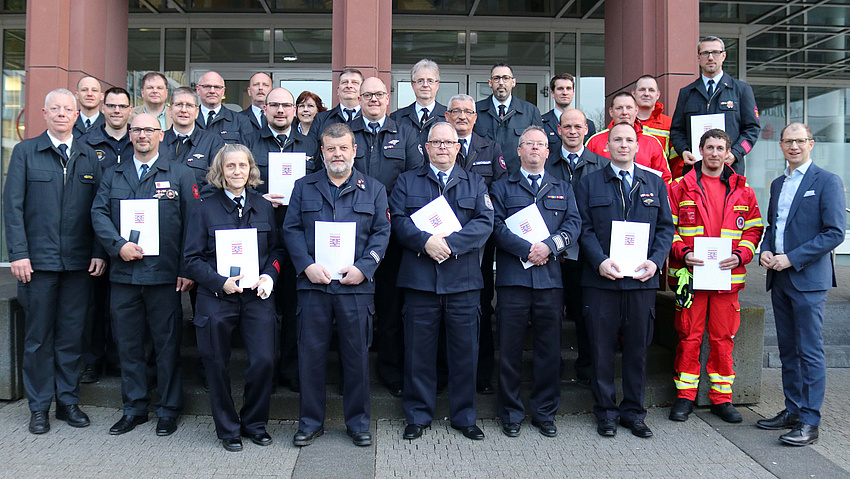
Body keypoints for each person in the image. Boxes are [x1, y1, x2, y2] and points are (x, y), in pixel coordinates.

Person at [91, 113, 200, 437]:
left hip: (164, 277)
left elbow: (193, 224)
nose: (142, 135)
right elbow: (98, 213)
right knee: (128, 346)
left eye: (148, 129)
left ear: (160, 134)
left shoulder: (181, 173)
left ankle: (168, 409)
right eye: (136, 129)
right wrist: (117, 245)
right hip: (124, 275)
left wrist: (185, 268)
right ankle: (134, 408)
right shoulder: (114, 174)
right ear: (129, 133)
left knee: (167, 346)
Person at [3, 88, 105, 434]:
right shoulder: (25, 152)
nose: (62, 114)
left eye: (68, 109)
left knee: (71, 336)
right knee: (38, 338)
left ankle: (68, 402)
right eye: (55, 108)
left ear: (77, 115)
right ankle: (39, 407)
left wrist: (98, 251)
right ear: (44, 113)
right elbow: (13, 207)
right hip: (37, 265)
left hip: (78, 265)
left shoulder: (90, 156)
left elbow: (99, 211)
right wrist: (18, 253)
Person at [283, 123, 391, 448]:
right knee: (311, 357)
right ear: (322, 152)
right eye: (331, 149)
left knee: (356, 359)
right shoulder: (303, 186)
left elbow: (382, 232)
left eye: (343, 148)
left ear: (354, 150)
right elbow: (290, 230)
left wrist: (365, 267)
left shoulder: (373, 188)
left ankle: (358, 424)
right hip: (314, 286)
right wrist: (306, 265)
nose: (337, 154)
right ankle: (310, 423)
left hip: (356, 288)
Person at [389, 122, 493, 441]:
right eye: (437, 143)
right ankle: (418, 415)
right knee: (419, 352)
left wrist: (451, 244)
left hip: (462, 282)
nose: (444, 148)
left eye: (449, 143)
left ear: (458, 148)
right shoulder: (407, 181)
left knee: (465, 353)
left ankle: (464, 416)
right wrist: (425, 242)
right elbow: (397, 219)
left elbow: (485, 222)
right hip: (420, 281)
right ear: (427, 147)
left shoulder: (474, 183)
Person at [575, 122, 674, 439]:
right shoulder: (589, 183)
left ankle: (634, 412)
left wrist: (656, 262)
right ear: (607, 145)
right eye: (617, 139)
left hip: (641, 282)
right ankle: (605, 412)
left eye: (629, 140)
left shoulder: (654, 183)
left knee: (637, 351)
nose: (623, 144)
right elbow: (583, 228)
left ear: (637, 145)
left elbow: (665, 229)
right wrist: (599, 261)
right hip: (601, 281)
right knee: (601, 350)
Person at [184, 144, 282, 452]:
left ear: (251, 169)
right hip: (217, 296)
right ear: (220, 171)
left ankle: (254, 423)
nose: (237, 172)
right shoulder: (203, 208)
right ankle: (227, 428)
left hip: (256, 296)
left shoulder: (263, 206)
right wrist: (219, 282)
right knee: (216, 363)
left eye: (243, 166)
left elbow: (277, 250)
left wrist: (270, 276)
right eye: (230, 166)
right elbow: (191, 258)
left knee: (264, 360)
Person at [757, 122, 846, 447]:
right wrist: (765, 250)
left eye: (799, 141)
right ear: (781, 145)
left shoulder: (827, 181)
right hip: (779, 278)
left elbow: (834, 232)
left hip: (808, 278)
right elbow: (772, 226)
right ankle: (793, 410)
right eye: (788, 141)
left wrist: (791, 258)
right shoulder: (779, 184)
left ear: (811, 144)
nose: (793, 146)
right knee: (788, 350)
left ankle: (810, 420)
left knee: (809, 351)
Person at [666, 129, 763, 423]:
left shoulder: (743, 189)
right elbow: (666, 228)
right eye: (709, 147)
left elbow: (754, 229)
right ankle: (685, 397)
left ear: (728, 152)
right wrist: (682, 252)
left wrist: (741, 255)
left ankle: (722, 399)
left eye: (720, 148)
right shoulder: (680, 186)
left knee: (723, 339)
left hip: (726, 279)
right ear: (700, 149)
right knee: (689, 337)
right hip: (691, 277)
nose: (714, 153)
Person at [490, 126, 581, 438]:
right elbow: (495, 227)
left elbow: (574, 224)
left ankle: (545, 412)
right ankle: (511, 412)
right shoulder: (502, 187)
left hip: (549, 281)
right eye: (528, 144)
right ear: (519, 150)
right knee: (510, 350)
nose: (534, 150)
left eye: (540, 145)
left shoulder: (562, 186)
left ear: (547, 151)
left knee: (549, 351)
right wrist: (526, 249)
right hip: (513, 280)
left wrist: (551, 246)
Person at [242, 86, 319, 393]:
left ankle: (291, 370)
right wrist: (259, 197)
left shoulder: (312, 144)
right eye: (274, 105)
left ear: (295, 109)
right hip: (261, 235)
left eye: (286, 105)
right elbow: (235, 184)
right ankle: (265, 373)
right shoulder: (248, 143)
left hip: (299, 237)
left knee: (294, 306)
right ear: (264, 108)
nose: (280, 110)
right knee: (263, 309)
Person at [352, 76, 424, 398]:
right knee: (351, 308)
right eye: (367, 95)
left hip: (392, 235)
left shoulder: (406, 134)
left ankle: (391, 372)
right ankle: (353, 374)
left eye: (379, 94)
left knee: (391, 309)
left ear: (388, 97)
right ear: (360, 97)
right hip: (351, 234)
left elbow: (413, 181)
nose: (374, 99)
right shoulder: (346, 133)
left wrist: (391, 214)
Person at [444, 93, 507, 394]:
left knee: (481, 305)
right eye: (455, 111)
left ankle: (481, 377)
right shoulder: (435, 145)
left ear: (475, 116)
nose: (461, 116)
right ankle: (443, 374)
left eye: (467, 112)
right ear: (447, 116)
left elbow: (500, 190)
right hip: (443, 241)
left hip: (481, 242)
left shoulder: (491, 148)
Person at [545, 108, 609, 388]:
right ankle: (553, 367)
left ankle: (586, 367)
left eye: (578, 127)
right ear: (558, 130)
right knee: (550, 315)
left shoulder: (601, 165)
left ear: (587, 130)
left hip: (588, 255)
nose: (572, 131)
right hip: (553, 255)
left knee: (587, 315)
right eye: (567, 126)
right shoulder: (546, 162)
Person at [78, 86, 134, 384]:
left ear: (129, 109)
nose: (115, 111)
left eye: (121, 106)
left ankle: (118, 360)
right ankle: (92, 361)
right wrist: (99, 249)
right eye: (110, 106)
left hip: (136, 238)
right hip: (98, 235)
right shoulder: (86, 143)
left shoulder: (139, 137)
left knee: (124, 306)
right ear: (103, 108)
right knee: (95, 304)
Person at [670, 36, 760, 174]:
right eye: (705, 53)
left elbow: (752, 129)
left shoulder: (741, 90)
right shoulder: (687, 93)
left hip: (730, 170)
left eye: (716, 53)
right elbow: (677, 131)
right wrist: (683, 151)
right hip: (695, 171)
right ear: (698, 58)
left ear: (723, 56)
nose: (710, 58)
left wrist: (736, 153)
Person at [585, 92, 671, 183]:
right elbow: (585, 176)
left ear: (636, 111)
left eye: (629, 108)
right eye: (619, 108)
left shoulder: (652, 143)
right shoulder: (595, 142)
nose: (624, 112)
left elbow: (665, 178)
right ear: (611, 111)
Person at [473, 63, 543, 174]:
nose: (501, 82)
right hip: (484, 179)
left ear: (513, 82)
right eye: (496, 78)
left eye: (506, 78)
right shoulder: (476, 110)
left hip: (518, 179)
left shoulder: (530, 111)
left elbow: (540, 146)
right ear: (490, 83)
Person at [161, 87, 226, 192]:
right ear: (170, 110)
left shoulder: (213, 142)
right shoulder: (159, 140)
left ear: (197, 112)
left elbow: (217, 181)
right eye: (178, 105)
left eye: (189, 105)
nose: (183, 110)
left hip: (201, 205)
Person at [633, 75, 680, 178]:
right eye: (642, 90)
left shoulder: (669, 124)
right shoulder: (623, 122)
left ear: (658, 95)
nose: (646, 94)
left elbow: (676, 163)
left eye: (651, 90)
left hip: (658, 185)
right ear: (634, 93)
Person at [390, 59, 446, 146]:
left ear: (437, 84)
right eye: (420, 81)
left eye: (430, 81)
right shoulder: (396, 118)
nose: (425, 85)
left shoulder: (448, 116)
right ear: (412, 84)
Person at [541, 73, 596, 151]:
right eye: (560, 89)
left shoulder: (588, 125)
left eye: (568, 88)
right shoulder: (541, 123)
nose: (565, 93)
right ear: (552, 93)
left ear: (573, 93)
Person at [195, 70, 252, 144]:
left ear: (223, 91)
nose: (212, 91)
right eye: (207, 86)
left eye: (217, 87)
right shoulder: (189, 119)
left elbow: (247, 152)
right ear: (198, 89)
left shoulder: (240, 121)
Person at [309, 68, 363, 143]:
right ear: (338, 90)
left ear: (362, 90)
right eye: (345, 82)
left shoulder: (369, 120)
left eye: (355, 82)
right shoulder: (320, 119)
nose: (349, 86)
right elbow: (310, 151)